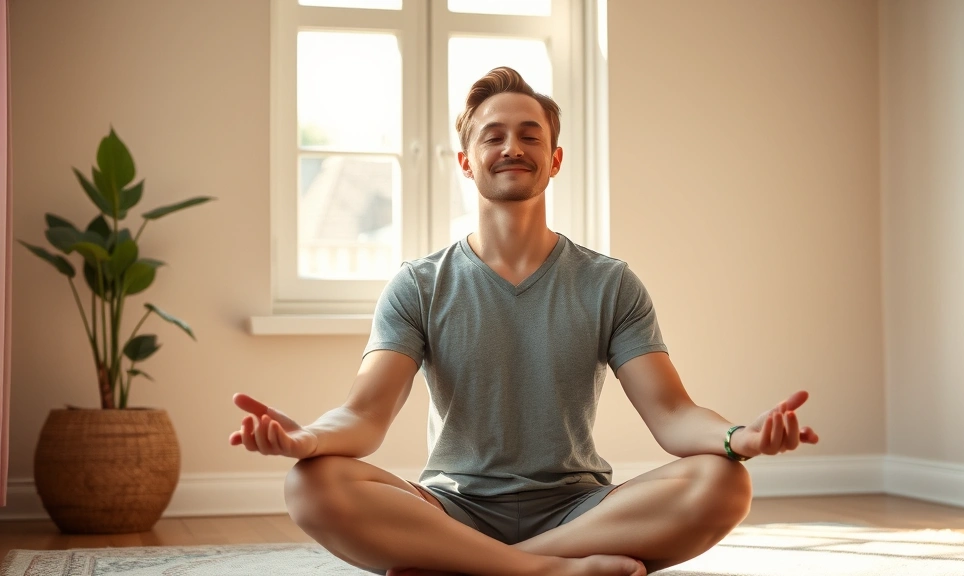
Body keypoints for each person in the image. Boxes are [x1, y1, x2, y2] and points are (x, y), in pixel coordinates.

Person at [230, 66, 819, 576]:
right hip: (453, 508)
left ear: (554, 158)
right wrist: (307, 439)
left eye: (529, 135)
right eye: (494, 136)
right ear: (467, 161)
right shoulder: (419, 284)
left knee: (725, 482)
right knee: (310, 483)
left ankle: (471, 565)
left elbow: (671, 413)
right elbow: (364, 413)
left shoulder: (609, 283)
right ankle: (541, 569)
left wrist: (736, 438)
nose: (512, 146)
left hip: (578, 509)